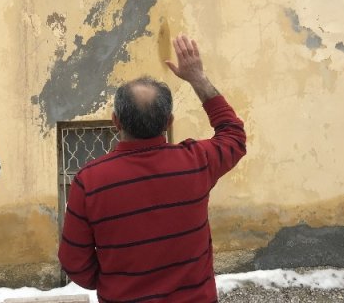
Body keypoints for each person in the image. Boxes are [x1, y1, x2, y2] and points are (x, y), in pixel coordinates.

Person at [58, 35, 246, 302]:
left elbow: (74, 262)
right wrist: (198, 79)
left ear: (115, 121)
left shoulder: (90, 181)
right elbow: (234, 136)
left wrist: (114, 279)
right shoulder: (196, 162)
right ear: (168, 122)